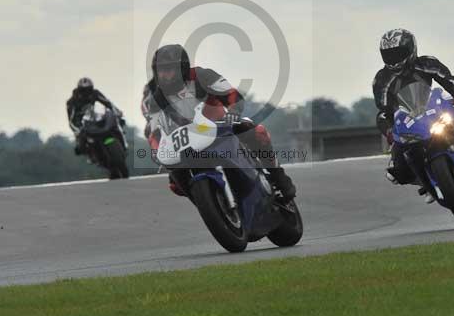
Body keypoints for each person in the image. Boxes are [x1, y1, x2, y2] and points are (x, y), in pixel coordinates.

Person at [141, 44, 296, 202]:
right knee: (174, 182)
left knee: (256, 132)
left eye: (169, 69)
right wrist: (156, 150)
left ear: (182, 67)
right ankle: (208, 202)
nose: (164, 75)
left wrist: (234, 112)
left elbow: (231, 95)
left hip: (220, 124)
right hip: (188, 141)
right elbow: (154, 131)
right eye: (160, 70)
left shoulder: (202, 75)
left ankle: (278, 176)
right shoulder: (156, 98)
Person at [373, 29, 454, 199]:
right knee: (396, 171)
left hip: (435, 108)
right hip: (409, 121)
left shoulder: (427, 63)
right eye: (389, 55)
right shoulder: (382, 79)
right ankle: (428, 181)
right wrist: (390, 131)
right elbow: (384, 110)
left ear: (411, 49)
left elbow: (452, 81)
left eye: (398, 53)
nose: (394, 59)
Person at [66, 78, 124, 156]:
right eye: (83, 91)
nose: (86, 93)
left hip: (94, 117)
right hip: (81, 123)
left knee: (117, 122)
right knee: (80, 145)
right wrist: (77, 130)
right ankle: (90, 155)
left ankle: (124, 144)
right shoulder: (72, 101)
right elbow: (71, 120)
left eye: (88, 90)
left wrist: (117, 112)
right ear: (79, 90)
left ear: (91, 89)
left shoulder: (95, 93)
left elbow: (108, 103)